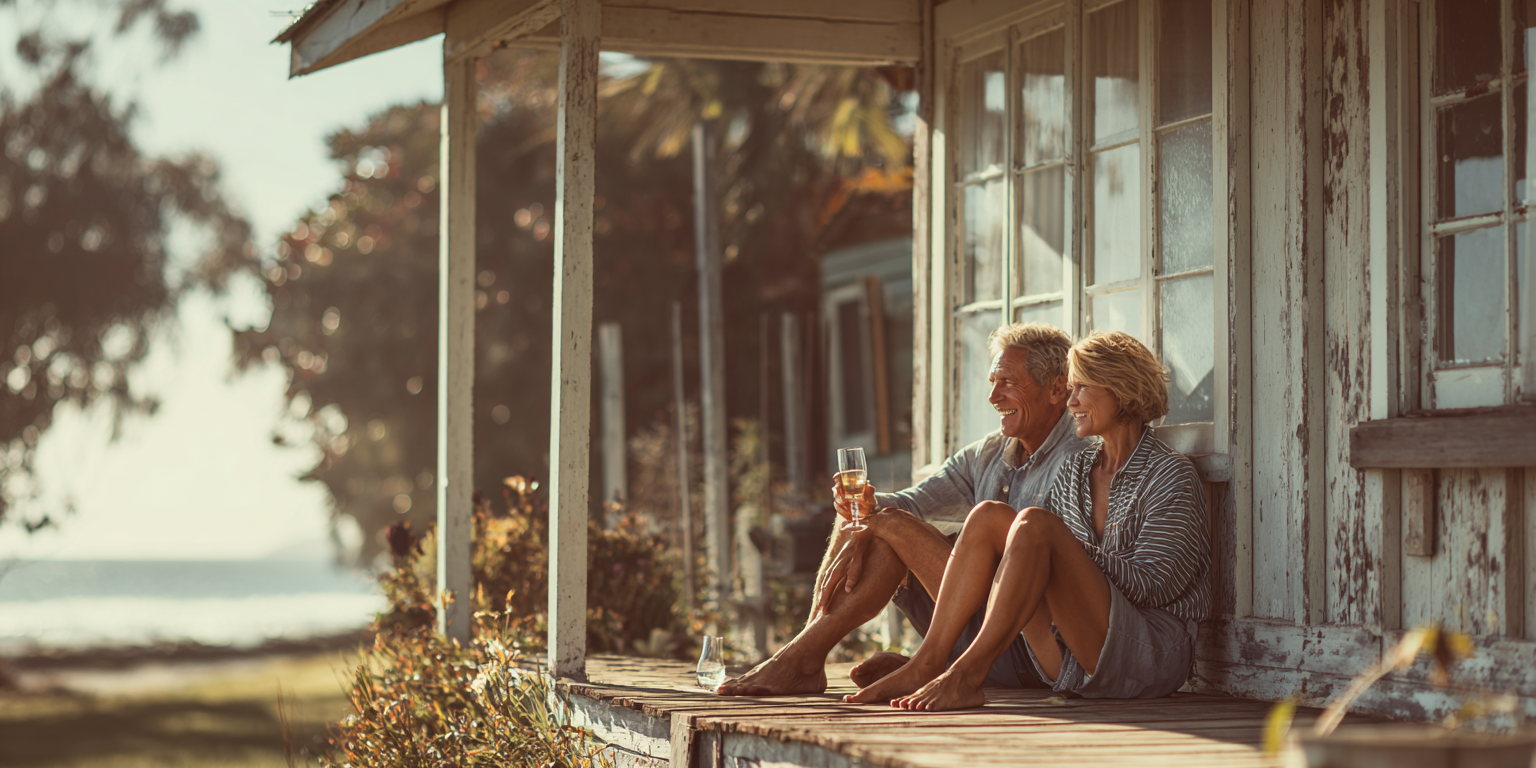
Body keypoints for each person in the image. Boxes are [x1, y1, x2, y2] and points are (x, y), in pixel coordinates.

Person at [716, 323, 1092, 696]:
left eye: (1008, 382)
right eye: (992, 381)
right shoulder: (989, 453)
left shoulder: (1081, 460)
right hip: (976, 630)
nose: (994, 397)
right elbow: (912, 502)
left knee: (888, 523)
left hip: (1032, 645)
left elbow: (1069, 582)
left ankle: (804, 660)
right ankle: (806, 651)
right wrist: (863, 509)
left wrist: (879, 519)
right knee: (866, 516)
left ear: (1057, 389)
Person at [844, 330, 1211, 710]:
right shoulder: (1077, 469)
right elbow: (1043, 556)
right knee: (989, 516)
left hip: (1146, 655)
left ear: (1123, 391)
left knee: (1035, 524)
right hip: (1067, 657)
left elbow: (1154, 586)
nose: (1070, 402)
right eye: (1070, 389)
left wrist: (1070, 553)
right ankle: (929, 661)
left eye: (1081, 388)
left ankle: (967, 673)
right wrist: (1058, 553)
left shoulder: (1170, 475)